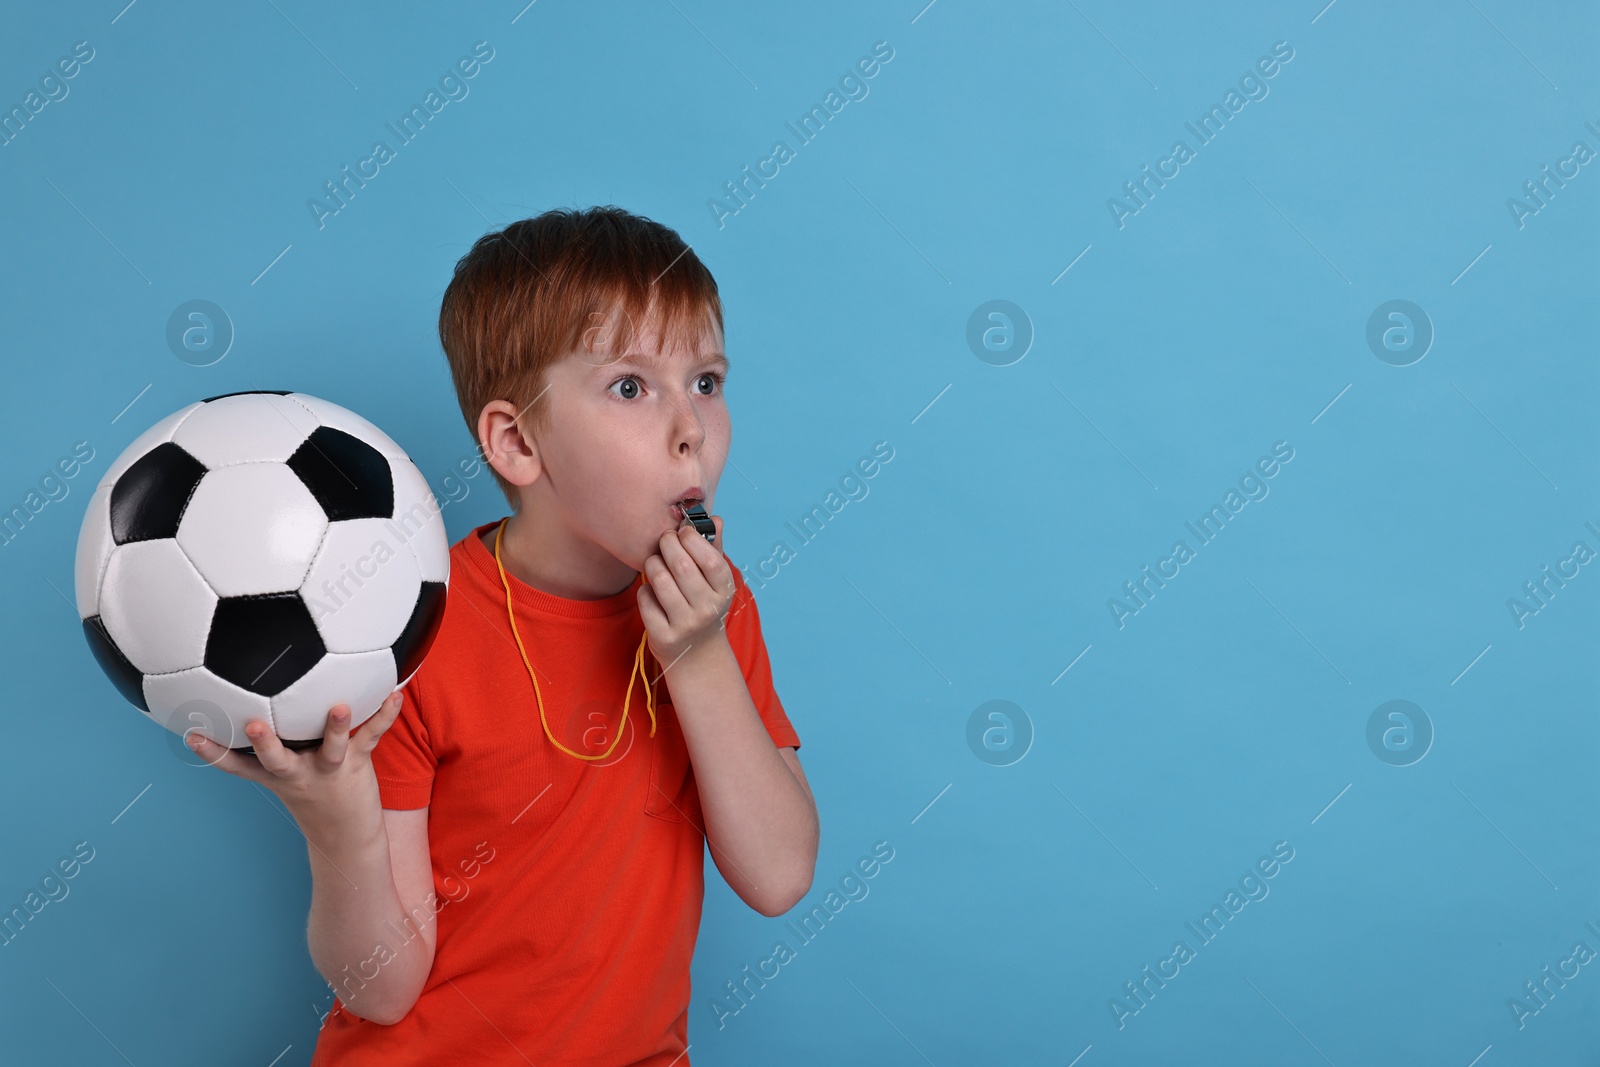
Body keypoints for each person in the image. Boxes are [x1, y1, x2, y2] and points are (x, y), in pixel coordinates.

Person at [190, 206, 820, 1064]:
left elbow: (780, 876)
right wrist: (338, 826)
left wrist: (699, 658)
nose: (691, 428)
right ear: (518, 441)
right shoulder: (410, 631)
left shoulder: (712, 608)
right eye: (632, 387)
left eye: (706, 380)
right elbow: (381, 985)